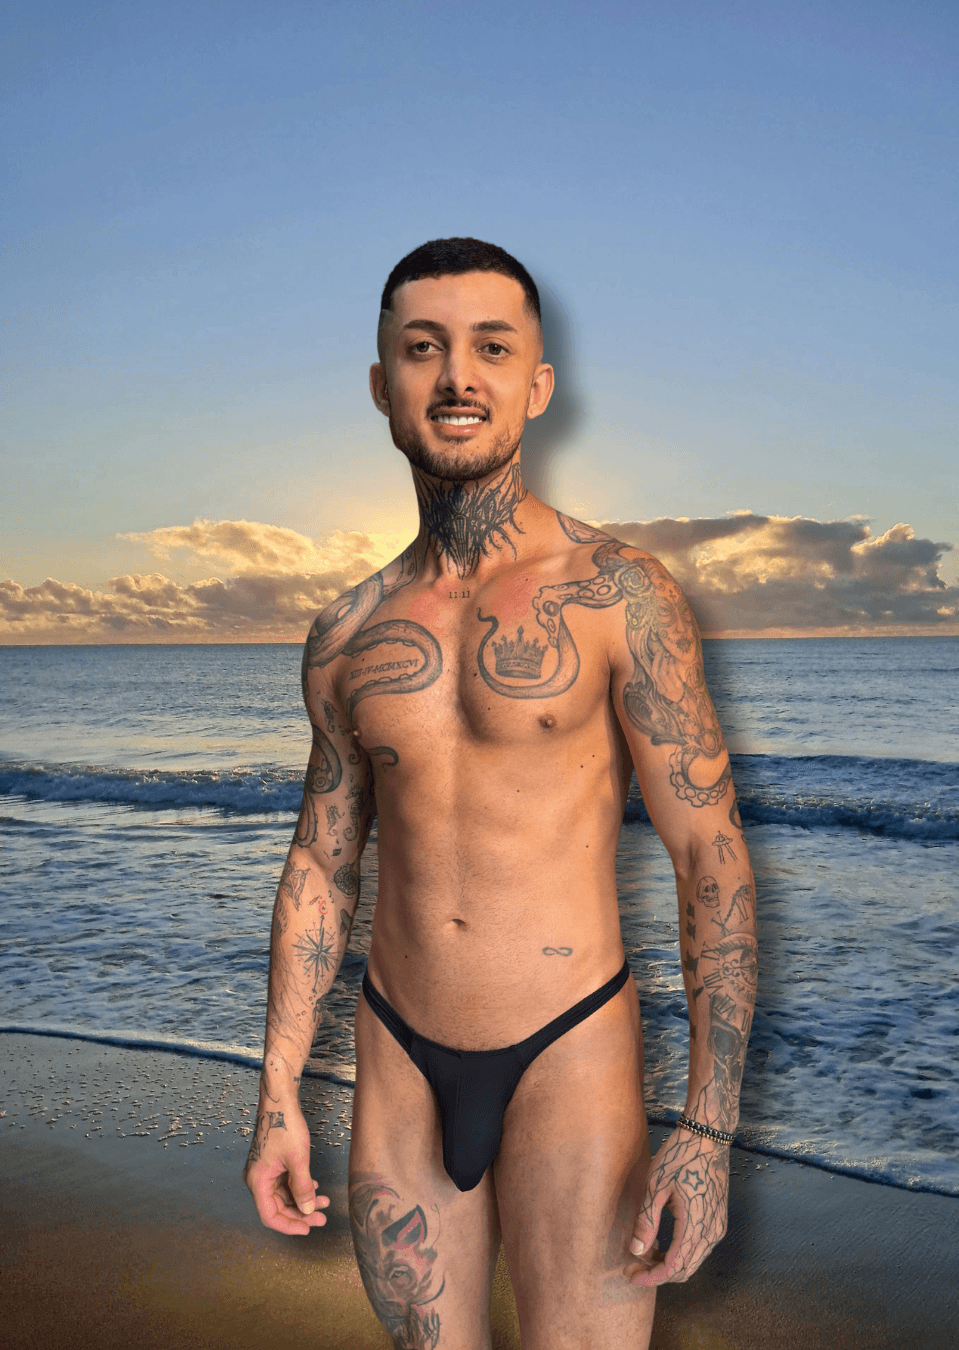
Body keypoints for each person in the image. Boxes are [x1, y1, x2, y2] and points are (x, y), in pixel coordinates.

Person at [243, 237, 757, 1349]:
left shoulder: (621, 595)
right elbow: (321, 862)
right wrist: (278, 1091)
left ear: (539, 384)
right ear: (382, 384)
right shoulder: (346, 635)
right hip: (399, 1055)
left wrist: (710, 1130)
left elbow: (708, 853)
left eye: (491, 347)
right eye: (423, 349)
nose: (456, 377)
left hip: (570, 1048)